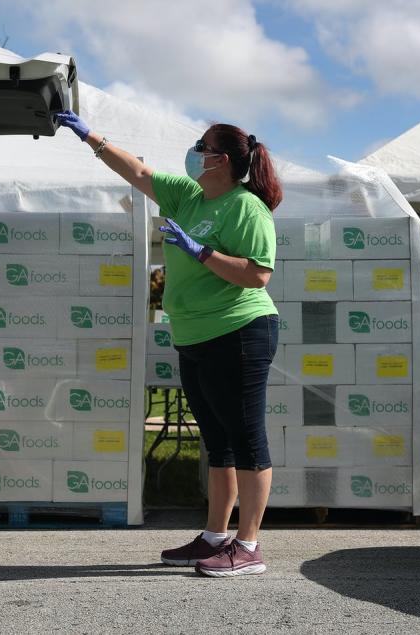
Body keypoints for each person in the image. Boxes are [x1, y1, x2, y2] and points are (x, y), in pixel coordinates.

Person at [55, 110, 282, 577]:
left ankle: (249, 545)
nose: (193, 152)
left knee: (245, 440)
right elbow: (137, 172)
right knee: (215, 442)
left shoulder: (246, 207)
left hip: (239, 332)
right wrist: (91, 138)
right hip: (194, 335)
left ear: (219, 159)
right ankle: (215, 537)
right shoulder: (190, 195)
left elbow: (257, 274)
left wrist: (202, 252)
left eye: (200, 146)